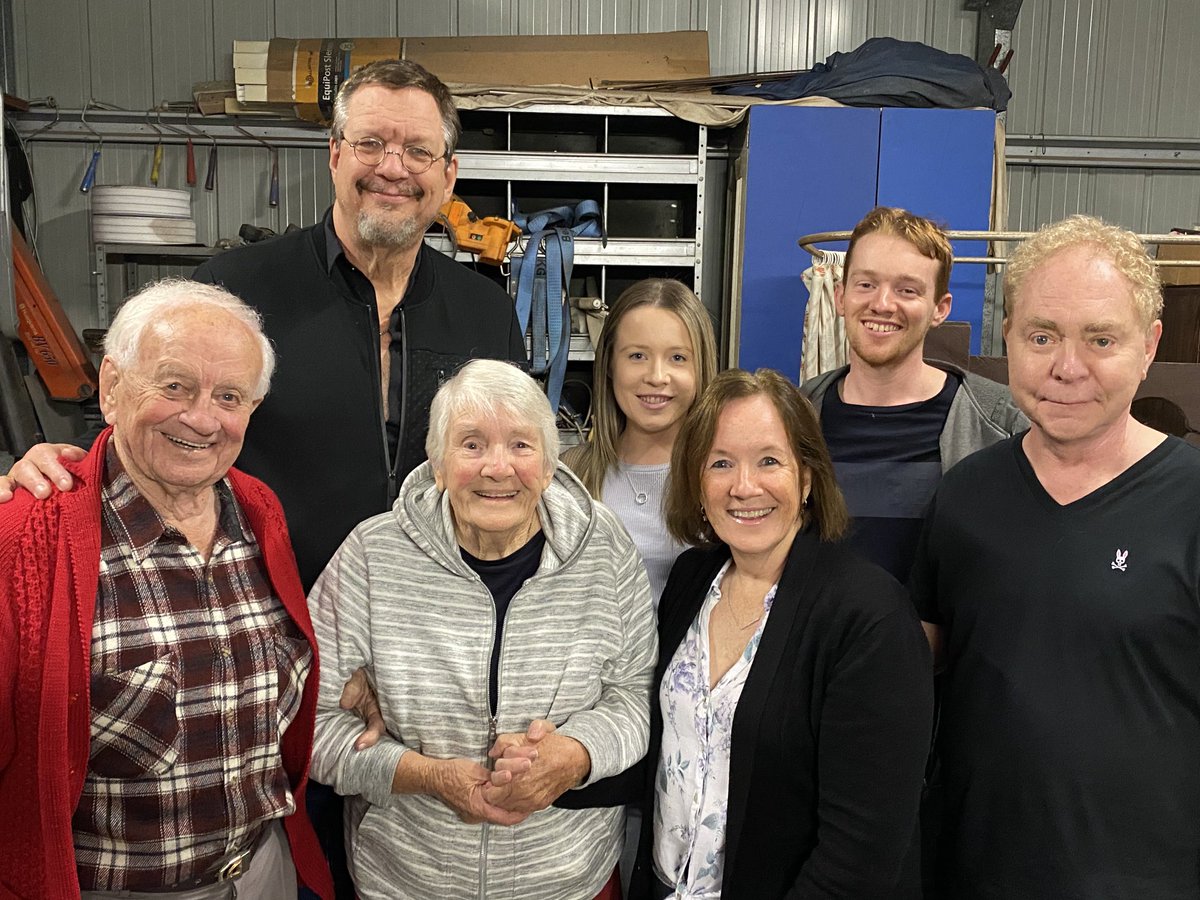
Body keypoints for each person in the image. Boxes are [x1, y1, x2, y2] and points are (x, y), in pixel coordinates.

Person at [0, 57, 526, 592]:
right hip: (265, 615)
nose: (393, 168)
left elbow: (515, 462)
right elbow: (146, 413)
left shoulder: (485, 312)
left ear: (448, 173)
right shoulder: (232, 291)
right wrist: (63, 465)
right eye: (370, 144)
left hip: (434, 619)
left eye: (418, 150)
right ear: (336, 154)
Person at [0, 279, 333, 900]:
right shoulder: (26, 536)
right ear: (110, 386)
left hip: (263, 871)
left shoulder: (258, 510)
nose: (202, 418)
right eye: (174, 385)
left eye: (228, 396)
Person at [911, 215, 1200, 898]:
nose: (1068, 368)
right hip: (975, 872)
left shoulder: (1191, 504)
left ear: (1149, 345)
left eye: (1100, 339)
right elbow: (913, 668)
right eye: (1042, 336)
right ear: (1007, 337)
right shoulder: (964, 498)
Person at [307, 359, 657, 900]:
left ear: (548, 464)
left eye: (521, 445)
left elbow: (634, 697)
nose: (498, 468)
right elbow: (307, 724)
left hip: (568, 882)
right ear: (438, 464)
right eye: (471, 444)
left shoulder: (603, 551)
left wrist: (575, 754)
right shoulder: (372, 557)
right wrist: (421, 774)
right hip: (406, 883)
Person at [628, 368, 933, 899]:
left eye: (769, 461)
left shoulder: (869, 618)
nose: (744, 487)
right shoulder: (692, 579)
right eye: (721, 463)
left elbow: (861, 853)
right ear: (698, 482)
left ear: (807, 478)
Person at [801, 206, 1025, 581]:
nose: (883, 304)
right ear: (840, 297)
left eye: (907, 290)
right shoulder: (798, 416)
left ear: (940, 309)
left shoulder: (1001, 424)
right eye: (866, 284)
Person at [563, 278, 719, 605]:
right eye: (637, 356)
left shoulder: (723, 477)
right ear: (609, 365)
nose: (656, 376)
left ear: (701, 367)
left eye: (678, 358)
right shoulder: (568, 477)